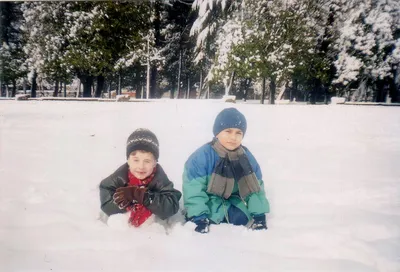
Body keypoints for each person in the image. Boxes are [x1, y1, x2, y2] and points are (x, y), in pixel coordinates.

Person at [182, 108, 270, 233]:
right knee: (209, 217)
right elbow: (194, 190)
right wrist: (199, 217)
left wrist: (259, 215)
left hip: (231, 200)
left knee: (243, 218)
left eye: (238, 133)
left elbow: (255, 187)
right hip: (209, 200)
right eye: (228, 131)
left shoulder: (245, 157)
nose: (233, 137)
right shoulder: (201, 156)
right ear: (217, 133)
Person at [99, 128, 181, 227]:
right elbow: (106, 204)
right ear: (128, 160)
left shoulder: (160, 180)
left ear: (155, 163)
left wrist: (143, 196)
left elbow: (171, 207)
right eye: (136, 160)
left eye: (147, 161)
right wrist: (125, 201)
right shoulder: (118, 178)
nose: (141, 166)